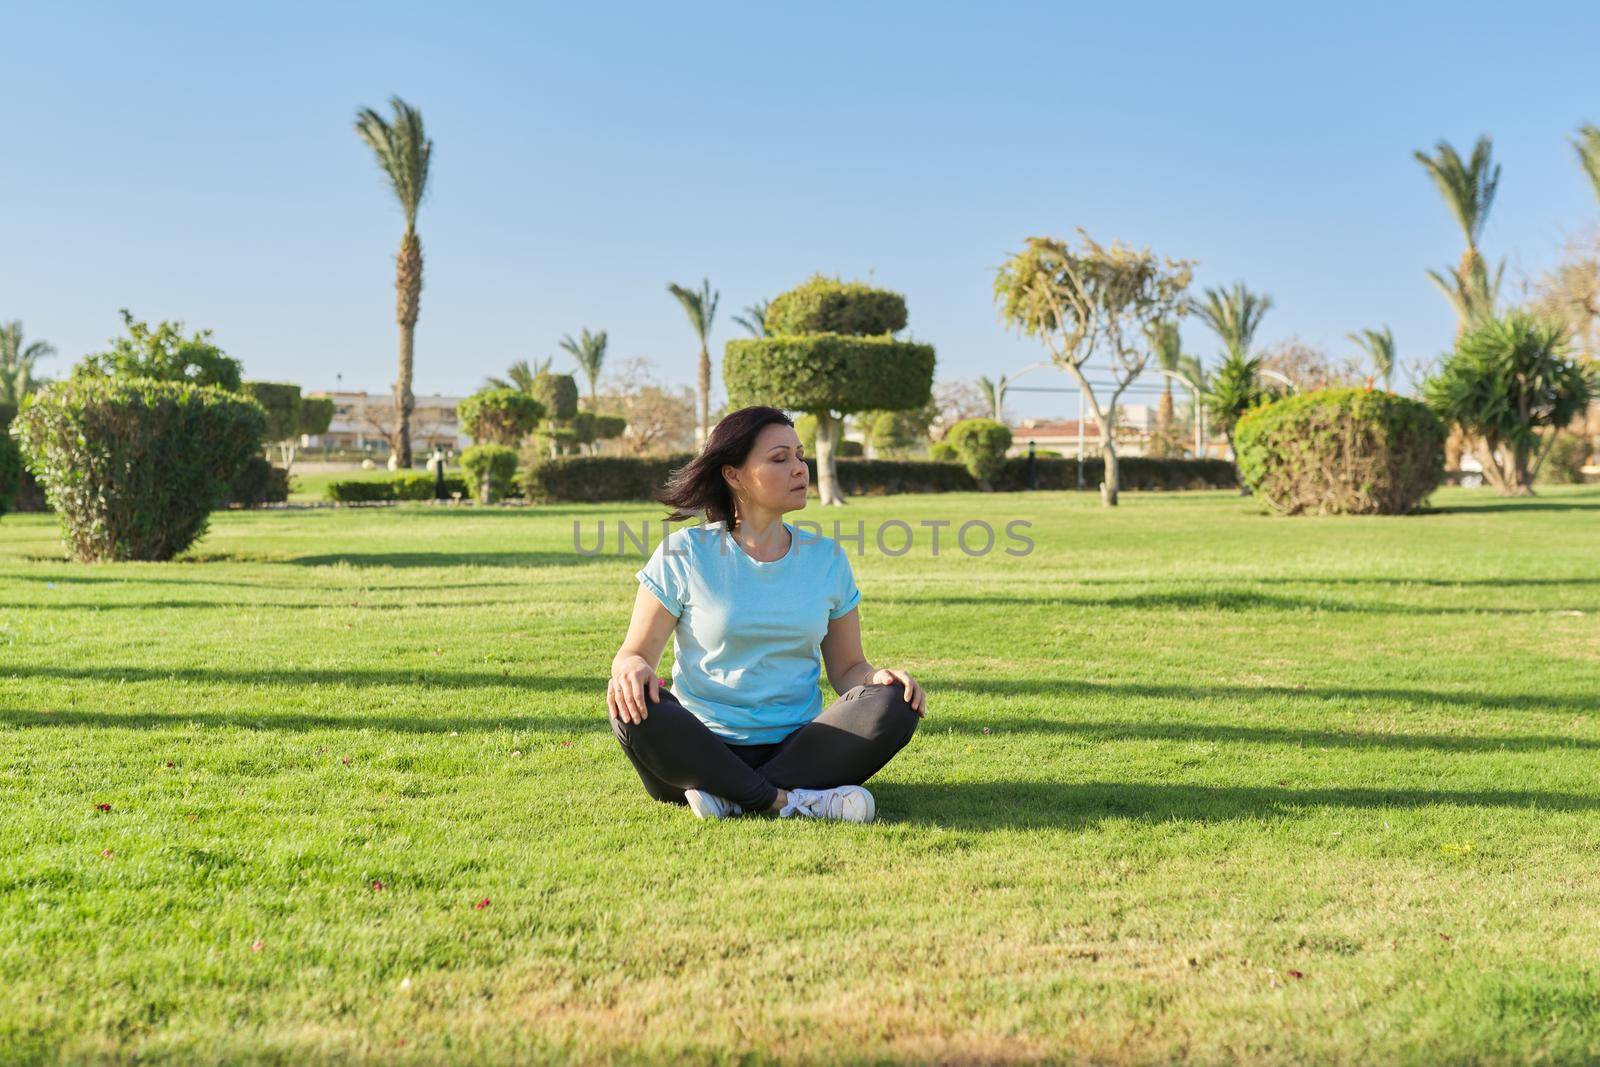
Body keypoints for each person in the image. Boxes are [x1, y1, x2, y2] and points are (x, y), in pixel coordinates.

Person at [608, 406, 927, 823]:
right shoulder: (684, 553)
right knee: (629, 704)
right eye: (780, 459)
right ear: (733, 475)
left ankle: (730, 795)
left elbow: (848, 667)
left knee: (895, 702)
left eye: (799, 455)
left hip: (800, 748)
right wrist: (631, 668)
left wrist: (875, 679)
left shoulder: (827, 558)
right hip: (701, 745)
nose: (799, 469)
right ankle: (790, 800)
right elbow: (634, 654)